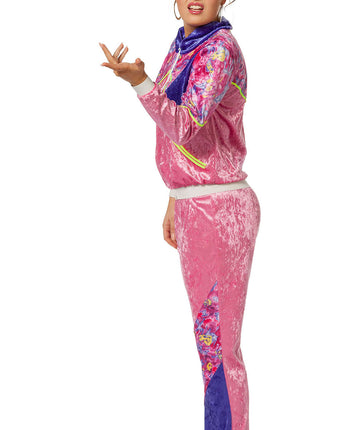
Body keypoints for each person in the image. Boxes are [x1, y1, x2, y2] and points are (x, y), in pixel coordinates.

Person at [100, 1, 260, 428]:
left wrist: (140, 83)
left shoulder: (219, 48)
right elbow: (182, 138)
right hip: (196, 202)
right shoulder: (184, 44)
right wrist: (176, 193)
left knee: (218, 347)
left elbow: (186, 126)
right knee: (210, 346)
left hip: (219, 209)